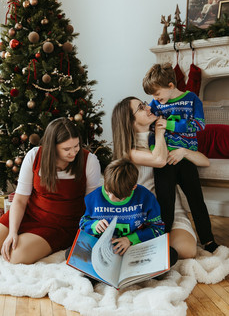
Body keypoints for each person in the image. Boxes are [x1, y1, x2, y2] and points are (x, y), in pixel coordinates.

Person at [111, 96, 213, 258]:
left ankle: (154, 252)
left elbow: (204, 161)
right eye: (141, 108)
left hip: (174, 211)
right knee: (156, 247)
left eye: (145, 104)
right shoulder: (129, 152)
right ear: (129, 121)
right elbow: (159, 160)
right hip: (143, 215)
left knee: (186, 250)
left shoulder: (167, 137)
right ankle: (149, 250)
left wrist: (184, 152)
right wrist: (159, 133)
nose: (148, 107)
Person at [0, 117, 101, 264]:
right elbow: (20, 200)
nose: (73, 152)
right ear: (52, 147)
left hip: (62, 224)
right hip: (30, 213)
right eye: (67, 149)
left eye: (76, 146)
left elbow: (92, 206)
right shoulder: (34, 156)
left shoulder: (89, 161)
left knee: (16, 256)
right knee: (7, 240)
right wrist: (12, 232)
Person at [142, 63, 218, 253]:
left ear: (170, 85)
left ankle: (208, 241)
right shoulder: (156, 105)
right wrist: (155, 150)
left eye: (157, 93)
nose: (154, 99)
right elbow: (152, 130)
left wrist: (169, 124)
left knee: (196, 200)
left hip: (186, 159)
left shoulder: (191, 99)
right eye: (152, 95)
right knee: (165, 203)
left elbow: (199, 125)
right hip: (165, 160)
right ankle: (163, 243)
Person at [79, 158, 166, 256]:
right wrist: (94, 225)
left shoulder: (146, 198)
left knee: (170, 254)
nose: (111, 198)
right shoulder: (93, 198)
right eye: (107, 191)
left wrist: (130, 239)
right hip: (105, 251)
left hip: (135, 248)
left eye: (118, 196)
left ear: (133, 187)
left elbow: (158, 229)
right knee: (72, 254)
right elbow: (83, 223)